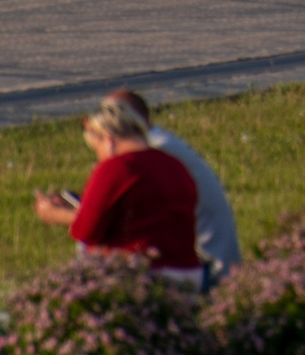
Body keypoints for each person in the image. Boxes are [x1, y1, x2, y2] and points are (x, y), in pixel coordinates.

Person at [33, 98, 202, 284]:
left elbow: (86, 230)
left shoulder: (117, 167)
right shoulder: (174, 164)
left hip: (140, 273)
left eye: (97, 149)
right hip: (189, 272)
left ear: (107, 139)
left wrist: (55, 214)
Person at [103, 90, 240, 284]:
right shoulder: (161, 142)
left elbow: (118, 221)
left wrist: (68, 215)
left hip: (208, 266)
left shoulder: (154, 152)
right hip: (208, 259)